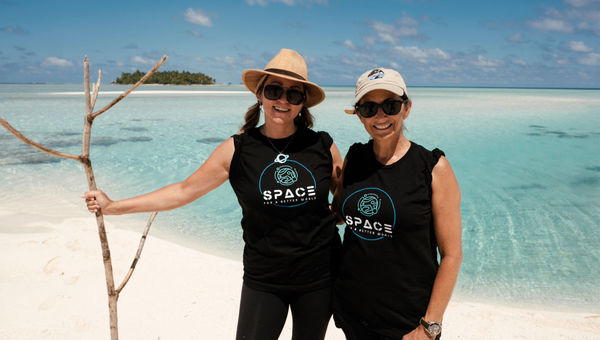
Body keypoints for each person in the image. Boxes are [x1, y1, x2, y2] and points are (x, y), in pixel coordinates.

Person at [83, 48, 343, 340]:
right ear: (260, 95)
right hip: (265, 278)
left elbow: (349, 199)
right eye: (274, 90)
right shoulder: (237, 150)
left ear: (302, 103)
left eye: (293, 94)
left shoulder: (322, 145)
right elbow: (182, 191)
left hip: (320, 276)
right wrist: (114, 206)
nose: (283, 100)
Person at [332, 68, 462, 340]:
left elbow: (451, 254)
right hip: (353, 312)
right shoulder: (355, 157)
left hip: (407, 324)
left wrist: (430, 326)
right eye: (369, 108)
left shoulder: (433, 168)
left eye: (390, 105)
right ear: (358, 114)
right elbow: (339, 213)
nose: (380, 116)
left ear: (406, 108)